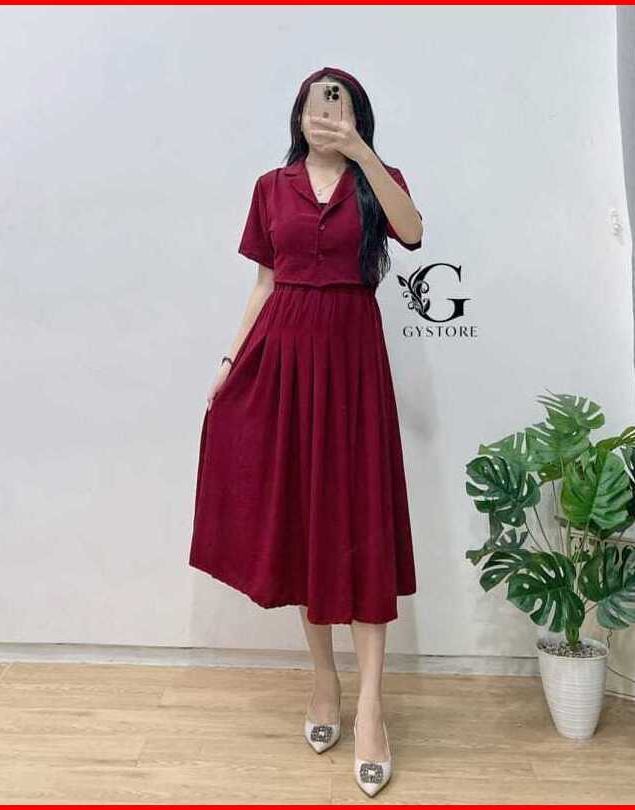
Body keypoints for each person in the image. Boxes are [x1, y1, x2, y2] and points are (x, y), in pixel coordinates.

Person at [188, 65, 423, 797]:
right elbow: (263, 283)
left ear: (356, 116)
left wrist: (361, 154)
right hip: (285, 357)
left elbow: (413, 232)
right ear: (298, 116)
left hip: (352, 360)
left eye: (339, 104)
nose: (326, 114)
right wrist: (230, 361)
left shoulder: (376, 180)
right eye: (316, 105)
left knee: (361, 525)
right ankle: (324, 681)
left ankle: (372, 707)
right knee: (303, 520)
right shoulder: (271, 187)